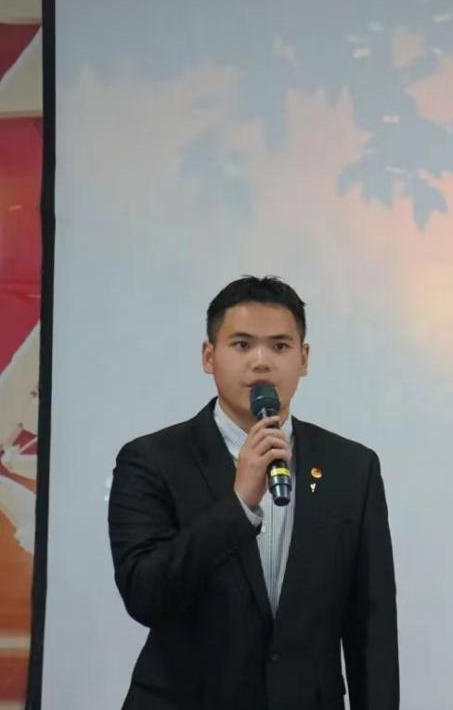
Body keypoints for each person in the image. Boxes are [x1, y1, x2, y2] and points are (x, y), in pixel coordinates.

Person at [108, 275, 398, 710]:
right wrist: (238, 505)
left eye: (279, 346)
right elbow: (145, 596)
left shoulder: (352, 467)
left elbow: (371, 625)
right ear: (209, 356)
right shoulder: (151, 460)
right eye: (242, 345)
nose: (261, 362)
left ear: (303, 359)